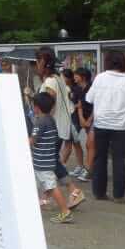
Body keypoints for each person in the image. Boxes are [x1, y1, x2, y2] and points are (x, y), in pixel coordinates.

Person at [35, 48, 86, 209]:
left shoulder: (50, 81)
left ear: (43, 62)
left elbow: (48, 104)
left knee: (48, 163)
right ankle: (68, 193)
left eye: (37, 61)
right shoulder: (57, 78)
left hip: (52, 128)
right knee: (54, 162)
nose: (36, 65)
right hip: (59, 127)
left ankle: (67, 192)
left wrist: (33, 99)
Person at [86, 50, 125, 201]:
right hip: (121, 126)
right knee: (119, 160)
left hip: (101, 123)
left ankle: (99, 192)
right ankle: (119, 195)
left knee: (100, 157)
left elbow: (89, 98)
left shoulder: (100, 78)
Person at [29, 92, 74, 223]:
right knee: (43, 184)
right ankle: (40, 202)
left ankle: (65, 212)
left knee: (51, 187)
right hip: (47, 160)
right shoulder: (50, 119)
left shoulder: (40, 122)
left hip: (42, 162)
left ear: (36, 107)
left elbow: (32, 140)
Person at [62, 67, 87, 179]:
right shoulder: (64, 88)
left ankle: (61, 166)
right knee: (75, 143)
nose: (62, 78)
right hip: (68, 118)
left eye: (64, 76)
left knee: (69, 143)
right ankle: (80, 166)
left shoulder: (76, 89)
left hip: (74, 119)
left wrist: (71, 104)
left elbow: (80, 104)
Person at [73, 67, 95, 181]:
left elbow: (96, 106)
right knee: (90, 144)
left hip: (94, 118)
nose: (74, 77)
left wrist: (89, 120)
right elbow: (79, 105)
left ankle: (88, 169)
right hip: (83, 119)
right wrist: (82, 119)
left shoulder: (92, 88)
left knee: (90, 144)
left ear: (83, 77)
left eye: (76, 75)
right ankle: (89, 168)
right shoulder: (76, 89)